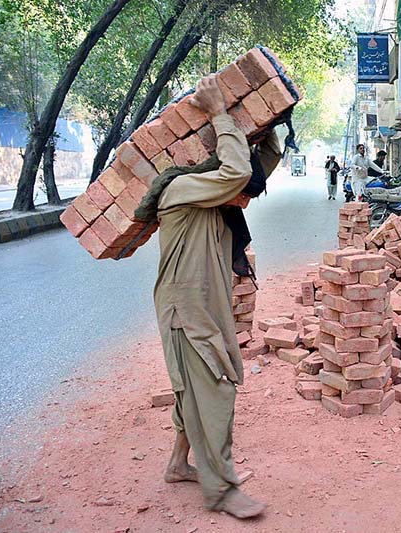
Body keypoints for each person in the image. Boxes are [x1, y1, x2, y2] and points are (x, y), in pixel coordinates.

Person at [134, 74, 281, 519]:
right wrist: (219, 113)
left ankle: (179, 463)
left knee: (192, 387)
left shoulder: (209, 194)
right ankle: (221, 490)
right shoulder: (181, 191)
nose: (241, 196)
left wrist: (266, 120)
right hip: (186, 307)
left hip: (202, 301)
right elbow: (236, 171)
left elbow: (253, 171)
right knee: (215, 387)